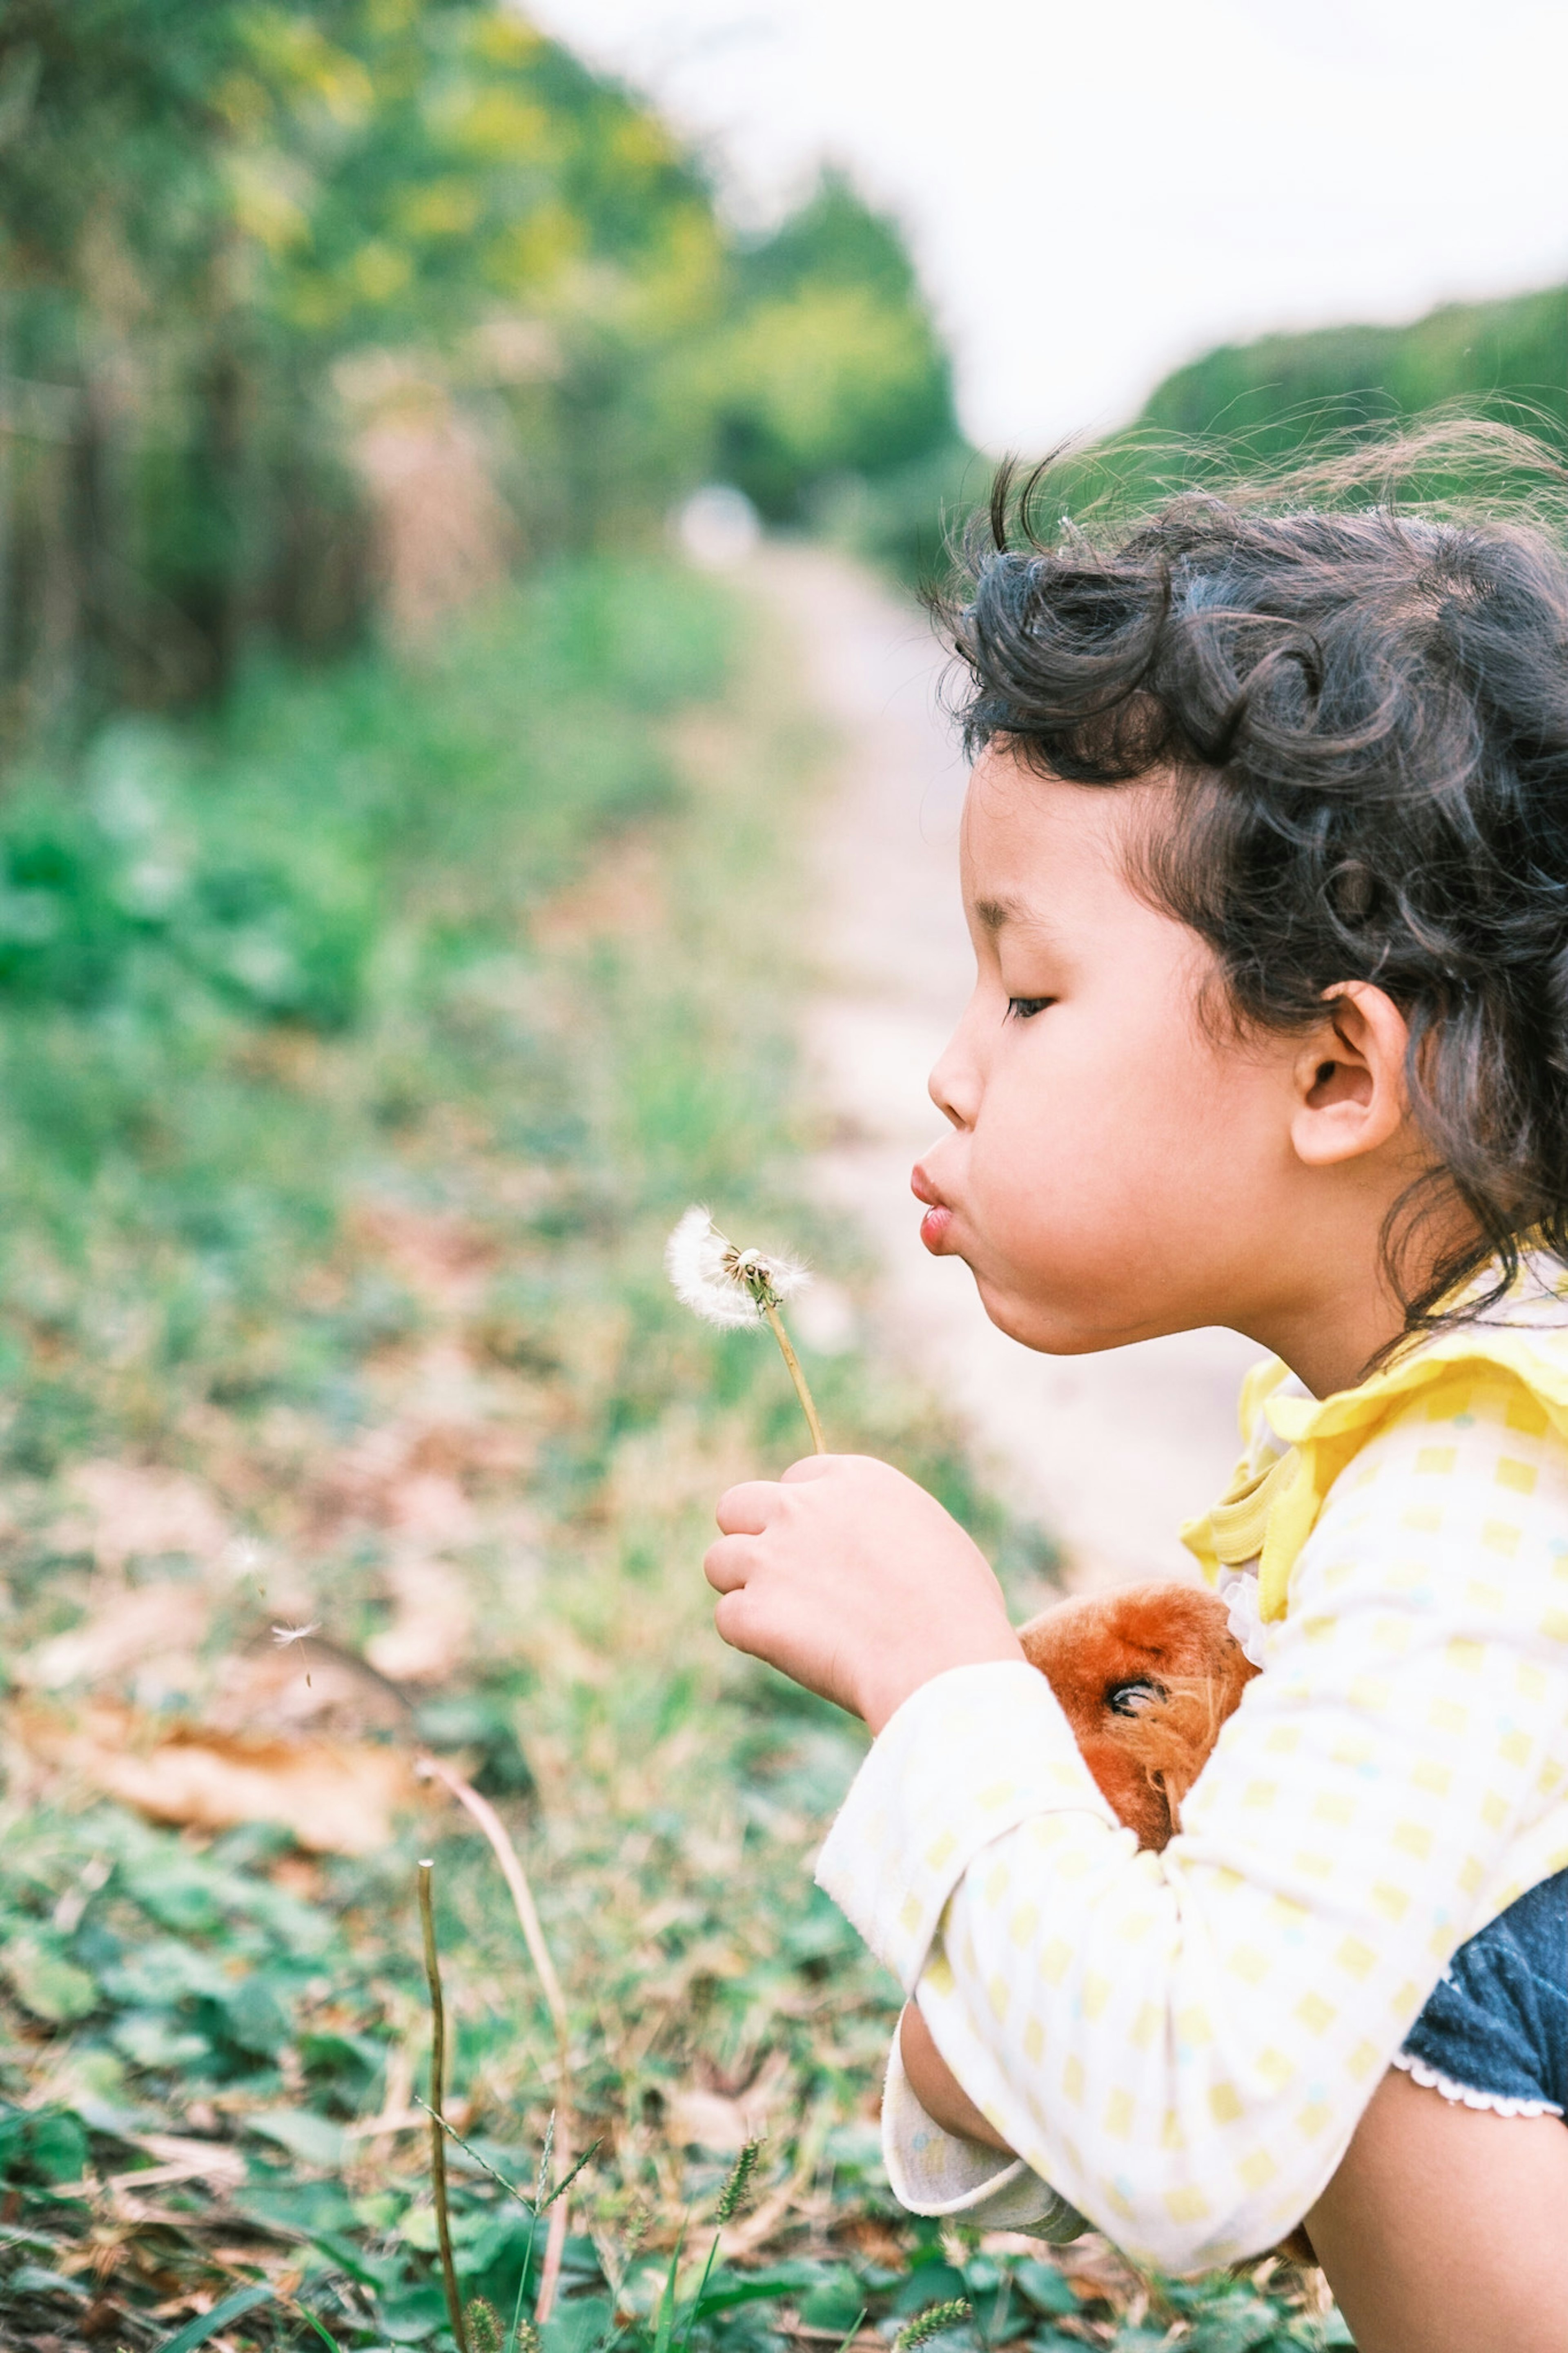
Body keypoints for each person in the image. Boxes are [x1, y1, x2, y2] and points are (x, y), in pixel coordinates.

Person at [703, 428, 1568, 2353]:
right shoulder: (1440, 1394)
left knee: (1400, 1993)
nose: (954, 1071)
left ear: (1340, 1075)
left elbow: (1199, 2128)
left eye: (1026, 996)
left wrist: (937, 1690)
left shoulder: (1479, 1509)